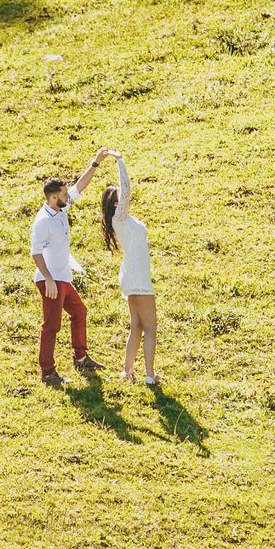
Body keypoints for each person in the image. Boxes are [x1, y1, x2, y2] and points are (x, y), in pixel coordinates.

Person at [29, 148, 108, 385]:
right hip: (50, 281)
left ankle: (81, 357)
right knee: (51, 326)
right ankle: (47, 372)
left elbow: (79, 187)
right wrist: (48, 279)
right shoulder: (43, 221)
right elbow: (35, 252)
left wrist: (95, 162)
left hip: (63, 277)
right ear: (54, 197)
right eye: (63, 193)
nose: (68, 196)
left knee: (79, 312)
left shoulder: (60, 208)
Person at [98, 149, 159, 385]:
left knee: (137, 325)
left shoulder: (122, 221)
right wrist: (120, 160)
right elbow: (127, 190)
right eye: (120, 195)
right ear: (116, 202)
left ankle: (127, 371)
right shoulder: (120, 218)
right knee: (151, 327)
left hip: (132, 276)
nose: (125, 195)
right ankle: (150, 374)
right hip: (138, 278)